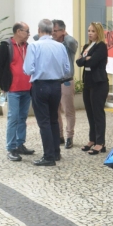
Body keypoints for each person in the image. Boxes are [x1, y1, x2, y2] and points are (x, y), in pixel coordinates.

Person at [23, 19, 70, 166]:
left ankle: (48, 156)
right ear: (52, 30)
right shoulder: (60, 46)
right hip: (56, 85)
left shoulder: (34, 46)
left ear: (39, 30)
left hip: (40, 85)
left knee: (44, 122)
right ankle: (56, 152)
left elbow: (28, 69)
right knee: (53, 120)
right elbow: (67, 69)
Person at [0, 22, 35, 162]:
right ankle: (11, 148)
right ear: (18, 31)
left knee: (23, 118)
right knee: (13, 118)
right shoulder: (6, 46)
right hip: (13, 89)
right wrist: (3, 85)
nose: (29, 34)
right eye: (27, 31)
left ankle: (20, 144)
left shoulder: (28, 47)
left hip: (26, 88)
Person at [76, 22, 109, 155]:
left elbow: (93, 61)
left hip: (99, 83)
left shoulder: (101, 46)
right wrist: (85, 58)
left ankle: (100, 143)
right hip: (88, 83)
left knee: (98, 113)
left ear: (99, 33)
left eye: (93, 31)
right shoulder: (86, 46)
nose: (90, 33)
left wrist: (86, 59)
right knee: (90, 113)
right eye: (89, 31)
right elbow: (78, 62)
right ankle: (92, 139)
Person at [52, 19, 79, 149]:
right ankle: (60, 136)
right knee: (55, 110)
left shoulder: (69, 45)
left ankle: (70, 136)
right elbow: (37, 37)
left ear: (63, 31)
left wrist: (65, 35)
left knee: (68, 110)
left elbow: (73, 42)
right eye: (51, 30)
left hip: (66, 81)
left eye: (55, 31)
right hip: (53, 82)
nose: (53, 33)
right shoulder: (51, 43)